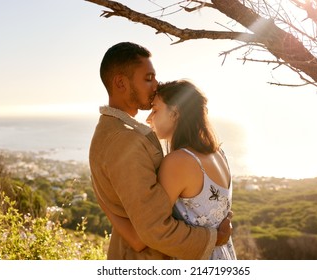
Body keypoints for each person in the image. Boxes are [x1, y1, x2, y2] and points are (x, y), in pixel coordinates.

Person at [89, 42, 232, 260]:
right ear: (120, 82)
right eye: (148, 78)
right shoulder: (124, 141)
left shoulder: (123, 134)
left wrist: (103, 203)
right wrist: (214, 238)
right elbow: (149, 233)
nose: (155, 85)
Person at [108, 79, 237, 259]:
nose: (148, 118)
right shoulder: (218, 153)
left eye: (155, 109)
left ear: (175, 113)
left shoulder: (179, 162)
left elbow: (147, 231)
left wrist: (108, 204)